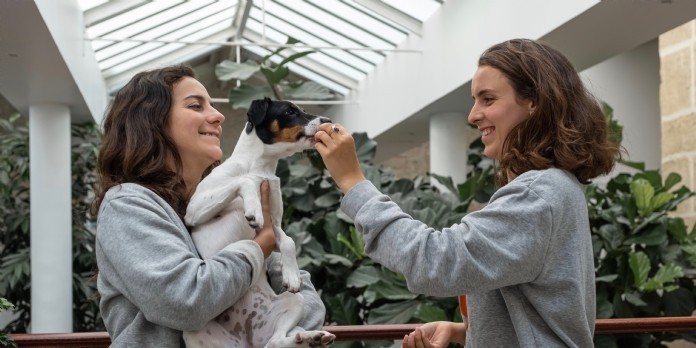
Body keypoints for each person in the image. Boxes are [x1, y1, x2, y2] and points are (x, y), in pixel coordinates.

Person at [314, 38, 621, 347]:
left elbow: (434, 261)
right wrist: (465, 332)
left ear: (534, 102)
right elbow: (546, 309)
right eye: (475, 100)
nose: (473, 115)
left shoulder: (538, 196)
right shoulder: (555, 188)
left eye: (487, 99)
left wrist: (353, 182)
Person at [90, 64, 326, 347]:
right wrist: (258, 246)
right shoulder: (127, 206)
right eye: (195, 106)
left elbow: (307, 304)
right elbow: (184, 302)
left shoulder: (235, 204)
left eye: (212, 106)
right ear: (151, 120)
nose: (218, 116)